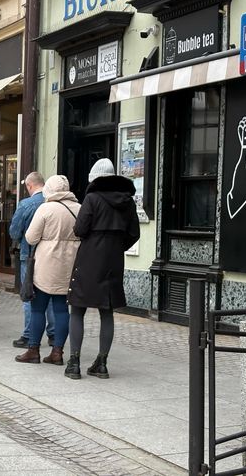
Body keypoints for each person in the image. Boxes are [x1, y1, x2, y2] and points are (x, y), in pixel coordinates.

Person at [65, 158, 140, 380]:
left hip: (89, 258)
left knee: (77, 308)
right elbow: (134, 233)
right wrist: (117, 245)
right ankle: (102, 363)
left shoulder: (92, 198)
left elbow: (79, 229)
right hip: (114, 260)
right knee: (106, 311)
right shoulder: (128, 201)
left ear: (95, 178)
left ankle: (74, 362)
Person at [15, 175, 80, 366]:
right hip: (69, 265)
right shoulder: (79, 208)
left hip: (45, 265)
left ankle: (33, 350)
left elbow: (31, 237)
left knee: (38, 308)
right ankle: (57, 352)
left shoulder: (46, 208)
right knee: (61, 309)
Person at [9, 172, 56, 349]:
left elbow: (14, 231)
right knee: (51, 295)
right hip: (52, 256)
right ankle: (53, 334)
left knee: (29, 294)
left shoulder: (26, 204)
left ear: (29, 186)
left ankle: (29, 335)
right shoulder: (54, 203)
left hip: (29, 255)